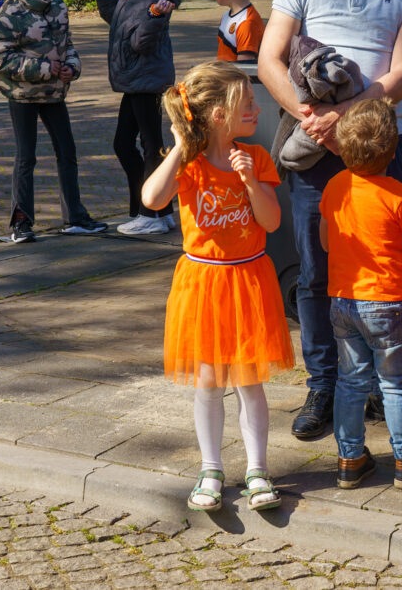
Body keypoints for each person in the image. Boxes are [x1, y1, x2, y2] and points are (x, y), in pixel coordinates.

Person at [258, 0, 402, 441]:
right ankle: (324, 385)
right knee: (314, 270)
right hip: (314, 142)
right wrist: (313, 118)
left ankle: (388, 386)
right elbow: (270, 60)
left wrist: (348, 116)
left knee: (390, 271)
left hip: (386, 148)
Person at [141, 61, 295, 512]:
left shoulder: (257, 157)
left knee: (250, 381)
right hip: (203, 283)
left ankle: (257, 470)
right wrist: (180, 146)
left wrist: (249, 181)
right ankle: (211, 469)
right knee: (208, 382)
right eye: (245, 103)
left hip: (248, 280)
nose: (254, 108)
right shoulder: (188, 163)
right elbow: (152, 199)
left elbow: (270, 221)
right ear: (217, 115)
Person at [320, 98, 402, 489]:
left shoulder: (335, 186)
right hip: (387, 303)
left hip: (342, 300)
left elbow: (326, 242)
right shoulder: (398, 194)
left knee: (350, 381)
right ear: (393, 151)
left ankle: (350, 458)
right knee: (395, 384)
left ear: (341, 147)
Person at [0, 0, 108, 242]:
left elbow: (68, 46)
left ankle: (75, 217)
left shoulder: (58, 6)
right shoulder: (10, 14)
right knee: (25, 158)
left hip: (54, 94)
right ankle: (21, 224)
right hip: (23, 96)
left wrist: (71, 67)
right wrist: (43, 68)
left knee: (67, 153)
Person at [92, 0, 182, 235]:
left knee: (151, 145)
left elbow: (141, 43)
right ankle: (157, 209)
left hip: (148, 79)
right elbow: (118, 21)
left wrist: (155, 19)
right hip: (135, 79)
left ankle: (150, 213)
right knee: (124, 144)